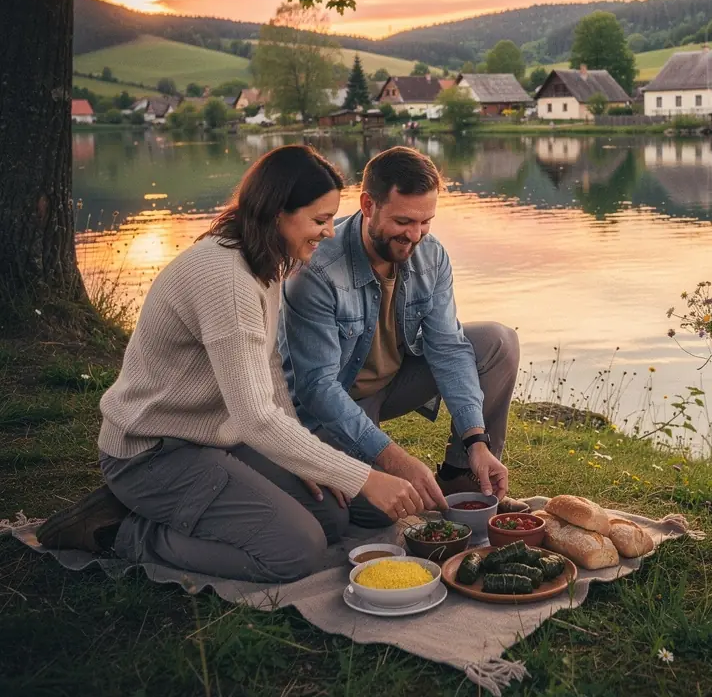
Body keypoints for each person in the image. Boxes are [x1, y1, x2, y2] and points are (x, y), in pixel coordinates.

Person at [37, 145, 425, 582]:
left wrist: (307, 462)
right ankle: (119, 529)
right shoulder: (226, 278)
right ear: (278, 213)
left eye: (332, 219)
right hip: (152, 453)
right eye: (320, 220)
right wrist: (363, 477)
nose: (329, 233)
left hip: (216, 439)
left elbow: (270, 372)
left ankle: (183, 506)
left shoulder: (264, 262)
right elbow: (256, 419)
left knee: (335, 517)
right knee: (297, 551)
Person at [279, 146, 518, 526]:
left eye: (425, 222)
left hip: (394, 383)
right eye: (403, 221)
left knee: (498, 341)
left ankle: (462, 475)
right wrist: (394, 459)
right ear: (368, 205)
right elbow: (317, 388)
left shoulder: (431, 254)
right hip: (333, 404)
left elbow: (448, 347)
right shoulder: (316, 270)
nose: (415, 235)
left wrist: (476, 439)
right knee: (376, 513)